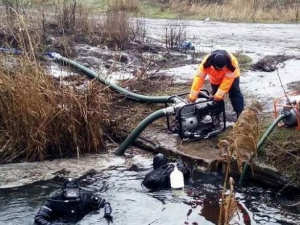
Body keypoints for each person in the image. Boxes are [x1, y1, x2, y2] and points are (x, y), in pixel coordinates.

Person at [188, 50, 244, 119]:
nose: (222, 69)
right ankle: (217, 113)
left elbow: (227, 82)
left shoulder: (232, 64)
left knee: (234, 92)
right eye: (220, 68)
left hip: (232, 76)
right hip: (215, 78)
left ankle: (239, 113)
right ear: (213, 65)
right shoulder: (206, 63)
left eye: (223, 67)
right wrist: (193, 96)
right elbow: (199, 78)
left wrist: (219, 95)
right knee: (216, 95)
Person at [34, 178, 113, 225]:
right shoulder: (54, 201)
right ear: (64, 191)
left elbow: (105, 203)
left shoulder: (86, 198)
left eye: (75, 191)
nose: (72, 194)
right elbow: (39, 218)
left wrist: (107, 214)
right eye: (70, 192)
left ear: (79, 191)